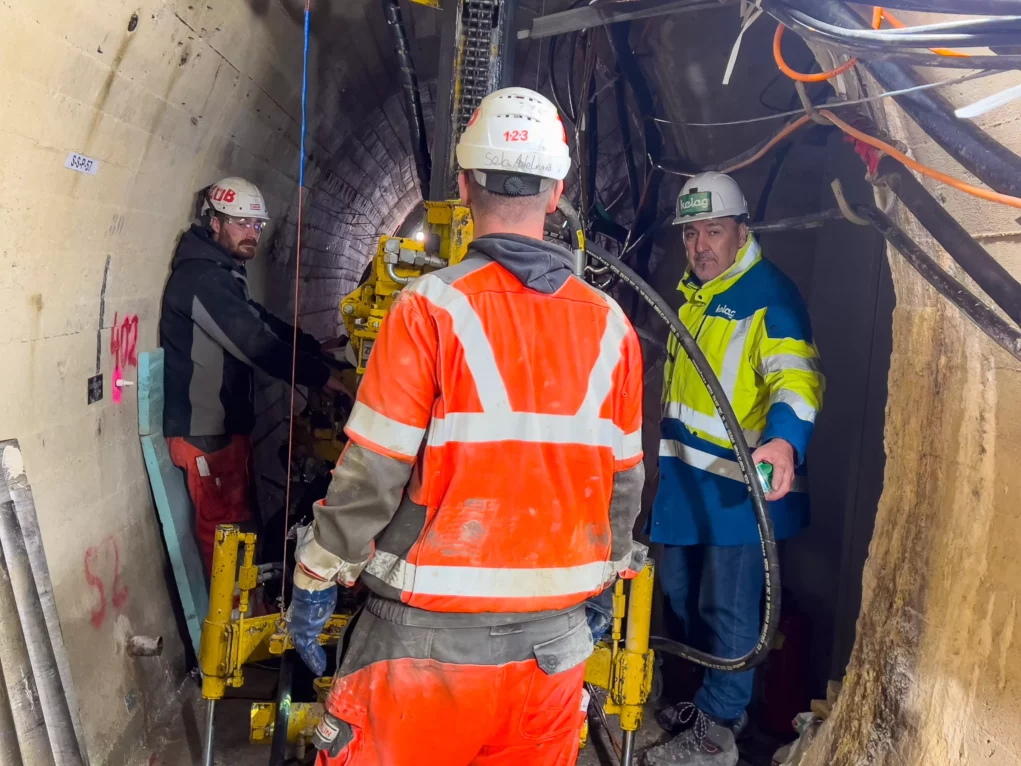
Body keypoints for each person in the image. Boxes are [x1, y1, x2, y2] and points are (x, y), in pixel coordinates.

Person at [286, 87, 647, 766]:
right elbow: (623, 483)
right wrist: (602, 582)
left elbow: (372, 471)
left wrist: (316, 573)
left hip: (423, 656)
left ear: (462, 182)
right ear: (557, 190)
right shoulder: (611, 327)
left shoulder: (427, 310)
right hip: (550, 659)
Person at [644, 172, 825, 766]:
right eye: (692, 233)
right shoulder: (698, 296)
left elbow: (796, 377)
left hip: (741, 495)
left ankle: (720, 729)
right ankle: (709, 698)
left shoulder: (768, 294)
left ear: (741, 230)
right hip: (691, 488)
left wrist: (785, 442)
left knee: (729, 610)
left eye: (713, 231)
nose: (700, 245)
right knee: (679, 595)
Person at [160, 177, 345, 572]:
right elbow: (256, 345)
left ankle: (246, 611)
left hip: (225, 429)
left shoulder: (223, 273)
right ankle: (225, 626)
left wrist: (314, 349)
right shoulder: (201, 279)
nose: (252, 233)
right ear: (214, 222)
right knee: (224, 533)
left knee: (240, 527)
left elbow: (261, 321)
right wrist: (317, 375)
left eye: (257, 225)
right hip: (205, 431)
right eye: (241, 223)